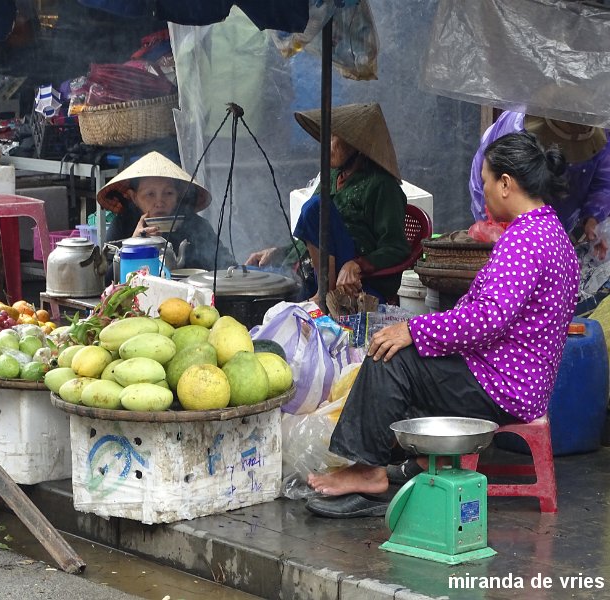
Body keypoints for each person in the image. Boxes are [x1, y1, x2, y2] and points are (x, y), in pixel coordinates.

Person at [304, 131, 579, 518]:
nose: (482, 191)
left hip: (502, 387)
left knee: (391, 357)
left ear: (506, 183)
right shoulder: (552, 233)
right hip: (523, 382)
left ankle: (368, 471)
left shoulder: (526, 241)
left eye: (485, 180)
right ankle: (421, 462)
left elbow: (485, 319)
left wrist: (413, 330)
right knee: (414, 352)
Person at [246, 103, 410, 302]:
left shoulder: (382, 186)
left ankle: (323, 295)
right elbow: (314, 233)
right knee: (250, 275)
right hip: (312, 270)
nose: (326, 145)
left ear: (357, 147)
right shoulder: (331, 176)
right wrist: (278, 253)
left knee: (316, 207)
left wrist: (357, 264)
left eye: (334, 138)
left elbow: (397, 248)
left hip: (355, 281)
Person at [470, 111, 610, 257]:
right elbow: (485, 180)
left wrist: (593, 217)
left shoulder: (518, 253)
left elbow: (603, 181)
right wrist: (491, 226)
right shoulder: (515, 126)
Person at [97, 152, 235, 274]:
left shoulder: (195, 225)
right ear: (133, 197)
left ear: (178, 195)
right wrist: (133, 244)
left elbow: (226, 265)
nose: (160, 202)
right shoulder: (123, 225)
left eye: (168, 193)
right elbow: (105, 278)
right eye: (150, 194)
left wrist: (242, 270)